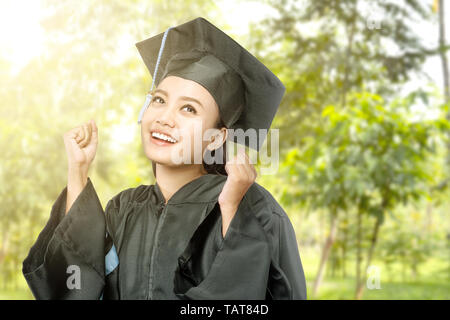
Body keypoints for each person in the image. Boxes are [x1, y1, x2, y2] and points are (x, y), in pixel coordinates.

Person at [22, 17, 307, 300]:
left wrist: (232, 208)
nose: (165, 118)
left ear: (217, 137)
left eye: (189, 109)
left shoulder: (253, 204)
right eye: (159, 100)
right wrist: (78, 171)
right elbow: (77, 287)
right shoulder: (124, 208)